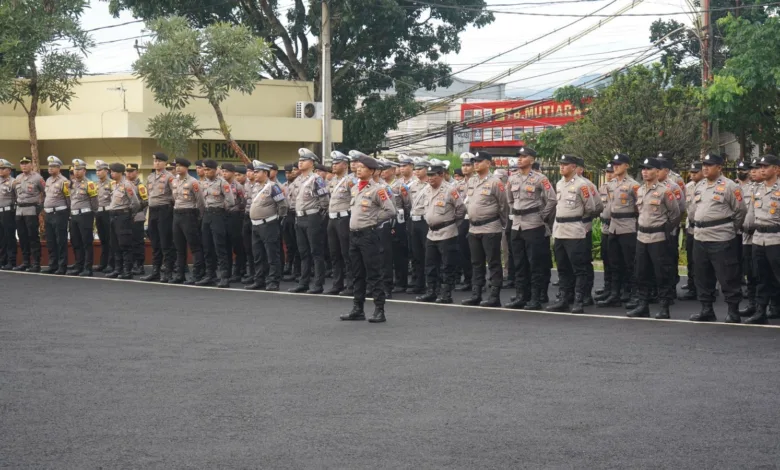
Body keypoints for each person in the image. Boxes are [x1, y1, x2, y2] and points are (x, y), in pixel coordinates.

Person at [688, 153, 747, 322]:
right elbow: (692, 210)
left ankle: (733, 311)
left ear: (719, 167)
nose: (705, 168)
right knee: (702, 275)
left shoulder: (730, 186)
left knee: (727, 275)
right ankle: (706, 309)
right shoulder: (699, 186)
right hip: (700, 236)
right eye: (704, 165)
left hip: (721, 237)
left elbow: (740, 211)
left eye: (710, 165)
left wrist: (728, 228)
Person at [339, 155, 395, 323]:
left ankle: (379, 310)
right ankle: (358, 308)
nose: (358, 169)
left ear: (372, 171)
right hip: (354, 235)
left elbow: (390, 211)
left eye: (362, 167)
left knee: (373, 273)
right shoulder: (355, 188)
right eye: (357, 167)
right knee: (357, 273)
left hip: (368, 235)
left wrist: (374, 220)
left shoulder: (378, 189)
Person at [626, 157, 682, 319]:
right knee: (641, 272)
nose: (645, 171)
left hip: (658, 237)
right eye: (643, 169)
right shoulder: (641, 190)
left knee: (661, 273)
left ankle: (664, 307)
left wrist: (665, 229)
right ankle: (643, 305)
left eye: (649, 169)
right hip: (642, 237)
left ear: (657, 172)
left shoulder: (665, 191)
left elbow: (675, 214)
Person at [504, 146, 556, 310]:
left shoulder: (541, 178)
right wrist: (515, 210)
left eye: (523, 156)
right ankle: (521, 295)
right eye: (518, 156)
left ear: (532, 160)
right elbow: (509, 199)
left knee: (535, 263)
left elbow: (552, 199)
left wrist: (542, 215)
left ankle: (535, 298)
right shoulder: (512, 178)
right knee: (519, 263)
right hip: (517, 224)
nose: (519, 159)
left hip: (534, 223)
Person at [546, 154, 598, 313]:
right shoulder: (560, 183)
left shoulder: (582, 185)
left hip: (575, 230)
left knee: (579, 267)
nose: (562, 167)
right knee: (562, 267)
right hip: (560, 230)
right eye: (561, 164)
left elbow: (591, 207)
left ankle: (579, 300)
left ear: (574, 167)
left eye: (566, 164)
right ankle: (563, 298)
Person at [462, 151, 509, 307]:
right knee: (476, 262)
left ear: (488, 163)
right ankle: (476, 293)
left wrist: (500, 224)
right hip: (474, 228)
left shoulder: (496, 182)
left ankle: (494, 296)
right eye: (475, 161)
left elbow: (504, 206)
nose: (476, 164)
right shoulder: (472, 181)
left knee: (493, 262)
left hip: (490, 227)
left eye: (480, 161)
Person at [416, 161, 466, 304]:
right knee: (430, 264)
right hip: (431, 233)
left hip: (447, 232)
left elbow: (461, 209)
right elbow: (418, 207)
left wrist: (452, 224)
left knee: (447, 265)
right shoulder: (426, 190)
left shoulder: (450, 190)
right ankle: (431, 291)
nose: (430, 178)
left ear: (441, 175)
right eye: (428, 175)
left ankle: (445, 294)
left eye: (433, 175)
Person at [598, 153, 640, 307]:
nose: (615, 166)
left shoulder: (633, 185)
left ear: (626, 166)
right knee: (614, 263)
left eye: (619, 164)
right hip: (613, 227)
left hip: (627, 226)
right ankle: (615, 294)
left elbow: (640, 207)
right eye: (614, 164)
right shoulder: (610, 184)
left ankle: (633, 294)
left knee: (630, 263)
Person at [743, 154, 780, 324]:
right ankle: (760, 312)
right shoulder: (756, 190)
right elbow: (751, 214)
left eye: (766, 166)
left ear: (776, 169)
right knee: (761, 278)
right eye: (761, 167)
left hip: (776, 239)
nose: (762, 170)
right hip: (758, 239)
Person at [289, 149, 330, 294]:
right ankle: (304, 282)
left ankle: (318, 284)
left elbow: (324, 201)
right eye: (300, 160)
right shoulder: (298, 180)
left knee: (316, 252)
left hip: (312, 217)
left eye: (304, 160)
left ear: (312, 163)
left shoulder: (317, 179)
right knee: (303, 252)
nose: (300, 162)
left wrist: (318, 214)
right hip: (299, 217)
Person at [246, 162, 289, 291]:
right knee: (258, 255)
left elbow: (283, 205)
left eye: (257, 172)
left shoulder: (273, 187)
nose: (255, 174)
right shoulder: (255, 187)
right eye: (254, 172)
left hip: (268, 224)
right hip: (256, 225)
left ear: (265, 173)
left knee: (271, 254)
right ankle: (259, 280)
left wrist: (278, 220)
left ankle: (273, 281)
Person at [198, 159, 234, 288]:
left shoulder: (222, 183)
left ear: (215, 170)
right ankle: (210, 275)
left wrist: (219, 209)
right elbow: (201, 200)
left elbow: (230, 201)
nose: (206, 172)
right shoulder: (203, 183)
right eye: (205, 170)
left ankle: (224, 276)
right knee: (207, 246)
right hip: (207, 215)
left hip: (218, 215)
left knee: (220, 246)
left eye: (208, 170)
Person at [170, 158, 206, 285]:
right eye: (176, 166)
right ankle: (180, 274)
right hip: (177, 214)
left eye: (180, 166)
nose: (178, 168)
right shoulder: (174, 181)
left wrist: (199, 216)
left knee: (195, 246)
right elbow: (174, 198)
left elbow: (200, 201)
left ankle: (197, 274)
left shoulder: (193, 182)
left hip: (189, 213)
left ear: (186, 167)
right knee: (179, 247)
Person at [142, 152, 176, 282]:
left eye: (159, 161)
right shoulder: (150, 177)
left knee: (165, 242)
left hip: (165, 210)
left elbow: (174, 195)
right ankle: (155, 271)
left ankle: (168, 272)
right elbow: (149, 194)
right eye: (155, 161)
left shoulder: (170, 177)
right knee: (155, 242)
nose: (156, 163)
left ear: (164, 163)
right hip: (153, 210)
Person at [575, 162, 604, 305]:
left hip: (583, 226)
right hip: (566, 229)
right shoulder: (562, 184)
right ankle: (570, 293)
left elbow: (597, 206)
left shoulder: (587, 185)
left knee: (584, 261)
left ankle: (586, 294)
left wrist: (587, 218)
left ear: (581, 169)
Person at [106, 162, 141, 279]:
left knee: (125, 245)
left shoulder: (127, 185)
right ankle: (118, 269)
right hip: (113, 216)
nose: (111, 173)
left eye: (113, 172)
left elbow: (135, 203)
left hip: (123, 216)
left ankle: (127, 270)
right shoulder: (114, 185)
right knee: (115, 244)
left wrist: (129, 215)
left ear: (120, 173)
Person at [326, 151, 354, 295]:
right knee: (334, 253)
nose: (334, 166)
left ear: (345, 165)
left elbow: (355, 199)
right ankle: (337, 283)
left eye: (336, 163)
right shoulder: (333, 181)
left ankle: (351, 285)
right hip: (332, 219)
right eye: (333, 163)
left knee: (346, 253)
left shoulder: (350, 180)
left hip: (344, 218)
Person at [12, 157, 45, 272]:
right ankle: (26, 262)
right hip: (19, 210)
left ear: (31, 165)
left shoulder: (37, 178)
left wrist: (40, 206)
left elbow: (46, 192)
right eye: (22, 164)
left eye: (26, 163)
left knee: (33, 236)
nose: (24, 166)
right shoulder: (18, 177)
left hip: (31, 209)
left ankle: (36, 263)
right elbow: (15, 193)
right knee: (22, 236)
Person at [67, 159, 98, 276]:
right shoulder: (72, 184)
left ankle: (87, 267)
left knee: (86, 242)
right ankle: (78, 265)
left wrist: (92, 214)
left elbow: (95, 202)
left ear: (84, 171)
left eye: (79, 169)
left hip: (85, 215)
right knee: (76, 241)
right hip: (74, 215)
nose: (77, 172)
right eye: (75, 169)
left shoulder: (89, 184)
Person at [736, 160, 759, 317]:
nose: (754, 172)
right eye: (753, 169)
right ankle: (753, 304)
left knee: (764, 273)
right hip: (746, 236)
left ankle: (773, 304)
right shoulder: (746, 189)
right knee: (750, 273)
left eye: (758, 169)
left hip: (764, 236)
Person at [679, 161, 704, 301]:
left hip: (704, 229)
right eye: (691, 172)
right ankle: (692, 286)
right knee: (691, 259)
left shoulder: (708, 187)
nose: (692, 174)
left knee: (703, 261)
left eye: (695, 172)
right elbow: (683, 208)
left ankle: (705, 288)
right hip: (691, 227)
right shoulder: (688, 187)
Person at [42, 156, 71, 275]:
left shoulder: (64, 181)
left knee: (60, 240)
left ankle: (61, 265)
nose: (50, 168)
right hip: (48, 213)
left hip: (59, 213)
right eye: (49, 166)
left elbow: (68, 199)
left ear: (59, 168)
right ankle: (52, 264)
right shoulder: (48, 180)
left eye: (53, 166)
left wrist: (67, 213)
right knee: (50, 240)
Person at [387, 156, 410, 294]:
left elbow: (407, 204)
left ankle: (401, 282)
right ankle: (391, 280)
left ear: (392, 170)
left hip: (398, 222)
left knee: (399, 253)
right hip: (385, 222)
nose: (383, 172)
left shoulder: (401, 186)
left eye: (386, 169)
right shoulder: (380, 186)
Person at [407, 158, 430, 294]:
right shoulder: (412, 186)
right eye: (415, 169)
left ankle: (431, 283)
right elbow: (408, 203)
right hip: (413, 220)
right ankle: (419, 282)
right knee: (416, 254)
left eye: (419, 169)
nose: (416, 171)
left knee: (428, 254)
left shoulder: (431, 184)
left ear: (426, 169)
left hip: (425, 221)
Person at [221, 163, 247, 283]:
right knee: (225, 246)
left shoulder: (238, 186)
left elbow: (243, 202)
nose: (224, 173)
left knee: (237, 245)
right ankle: (227, 272)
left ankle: (238, 271)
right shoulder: (221, 184)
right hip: (223, 216)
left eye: (226, 171)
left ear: (232, 172)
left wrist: (236, 211)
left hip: (235, 216)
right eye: (223, 171)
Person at [455, 152, 475, 291]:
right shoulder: (458, 185)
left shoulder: (478, 182)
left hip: (476, 220)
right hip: (463, 220)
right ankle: (468, 279)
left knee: (477, 253)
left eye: (468, 165)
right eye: (463, 165)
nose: (465, 168)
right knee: (464, 251)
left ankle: (477, 280)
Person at [594, 162, 614, 301]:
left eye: (611, 172)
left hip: (617, 227)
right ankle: (608, 287)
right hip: (604, 228)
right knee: (606, 259)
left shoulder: (620, 188)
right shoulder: (602, 188)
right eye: (607, 172)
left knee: (616, 261)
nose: (608, 174)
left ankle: (619, 289)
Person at [125, 163, 148, 275]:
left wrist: (136, 214)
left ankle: (139, 264)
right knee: (127, 242)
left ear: (137, 172)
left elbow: (145, 202)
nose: (128, 173)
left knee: (137, 242)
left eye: (131, 171)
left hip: (137, 217)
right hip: (125, 217)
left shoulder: (140, 186)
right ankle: (129, 263)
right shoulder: (122, 184)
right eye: (127, 171)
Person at [282, 162, 302, 282]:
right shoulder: (286, 185)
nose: (290, 174)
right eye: (288, 172)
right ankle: (288, 266)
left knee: (298, 245)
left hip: (296, 214)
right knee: (289, 244)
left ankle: (297, 270)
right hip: (287, 214)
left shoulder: (300, 184)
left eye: (292, 171)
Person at [93, 160, 113, 273]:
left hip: (108, 213)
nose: (98, 172)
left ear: (106, 171)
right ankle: (103, 263)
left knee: (110, 240)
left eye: (100, 170)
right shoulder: (95, 184)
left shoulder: (111, 183)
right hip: (98, 213)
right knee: (103, 240)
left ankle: (111, 264)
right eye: (96, 170)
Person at [242, 164, 259, 283]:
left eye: (252, 171)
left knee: (257, 248)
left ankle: (259, 274)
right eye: (247, 171)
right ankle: (251, 273)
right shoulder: (245, 185)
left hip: (257, 218)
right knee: (248, 247)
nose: (249, 174)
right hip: (246, 216)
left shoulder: (261, 186)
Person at [0, 159, 17, 270]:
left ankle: (11, 261)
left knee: (9, 236)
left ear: (9, 170)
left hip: (8, 212)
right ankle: (2, 260)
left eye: (3, 168)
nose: (1, 170)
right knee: (1, 237)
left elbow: (17, 197)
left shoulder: (13, 182)